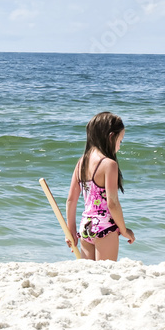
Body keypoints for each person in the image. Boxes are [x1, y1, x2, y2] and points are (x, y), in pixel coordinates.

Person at [65, 112, 135, 261]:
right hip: (105, 228)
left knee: (91, 275)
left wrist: (70, 230)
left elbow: (71, 200)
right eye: (120, 141)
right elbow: (113, 203)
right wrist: (124, 230)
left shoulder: (81, 163)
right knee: (106, 274)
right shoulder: (109, 164)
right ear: (111, 137)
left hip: (86, 227)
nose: (119, 147)